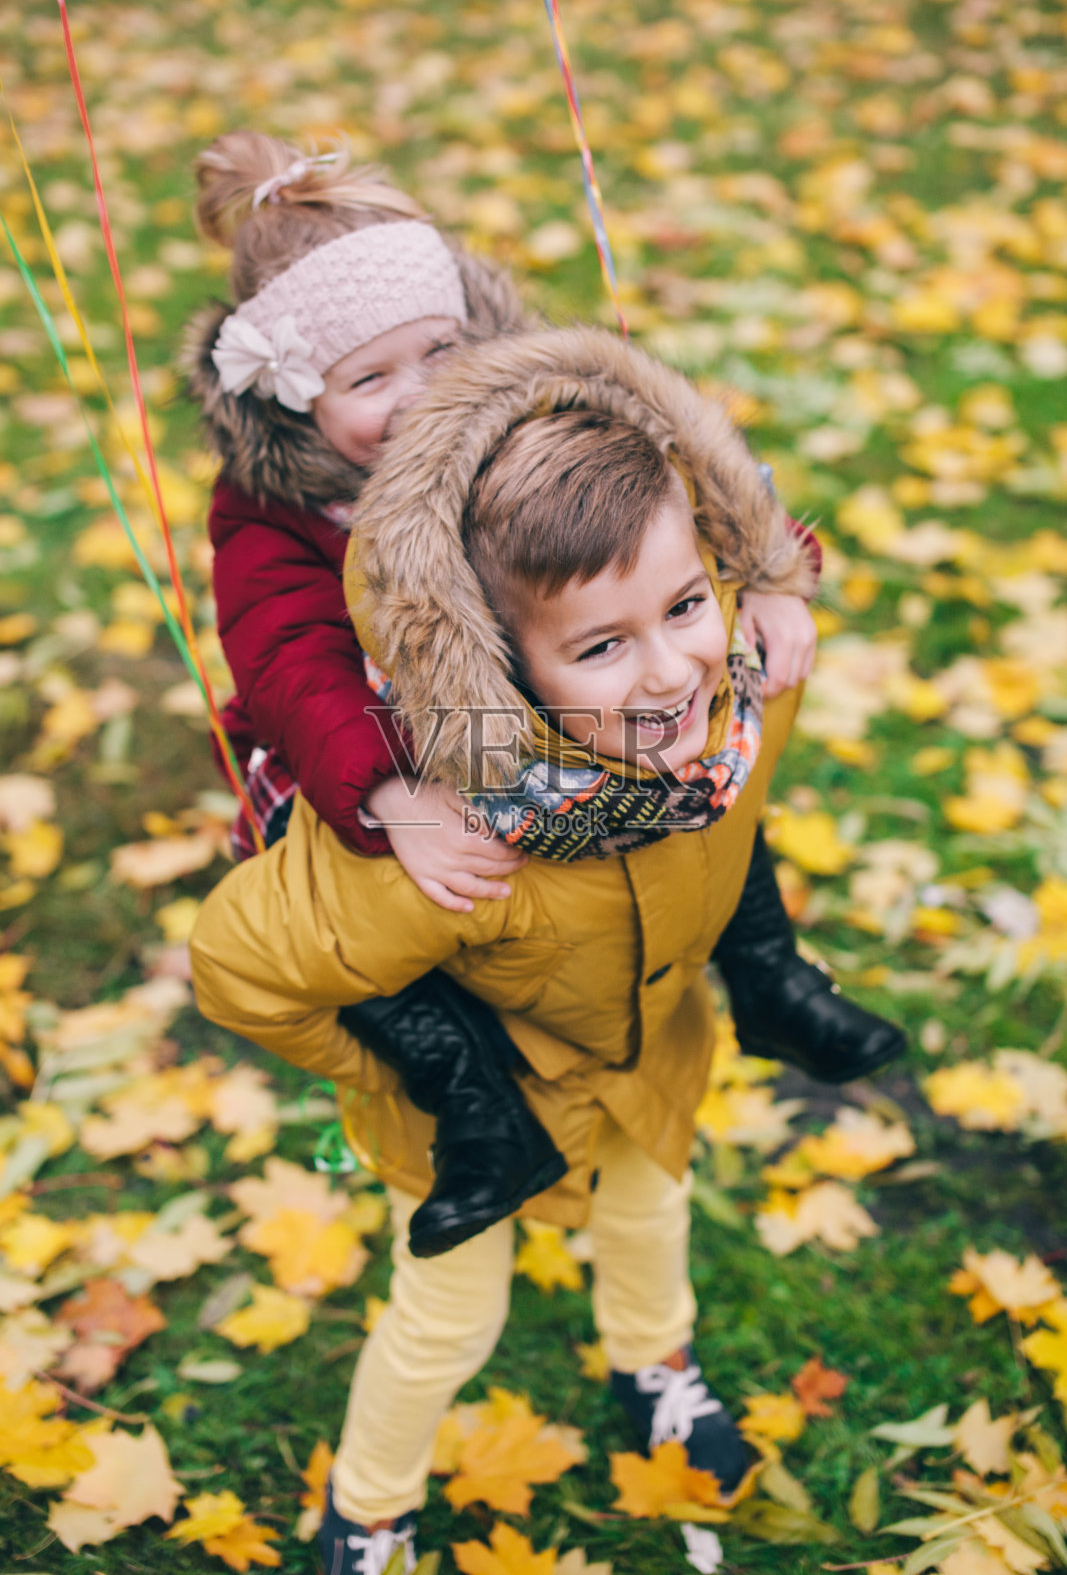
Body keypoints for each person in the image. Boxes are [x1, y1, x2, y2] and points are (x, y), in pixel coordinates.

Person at [189, 326, 900, 1572]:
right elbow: (242, 964)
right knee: (448, 1315)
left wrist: (777, 581)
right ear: (498, 665)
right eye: (599, 646)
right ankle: (367, 1510)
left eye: (681, 607)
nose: (669, 671)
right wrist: (404, 1065)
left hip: (644, 1056)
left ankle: (655, 1368)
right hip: (478, 1103)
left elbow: (740, 579)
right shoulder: (452, 855)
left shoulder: (733, 700)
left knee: (650, 1218)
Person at [186, 131, 904, 1259]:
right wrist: (382, 794)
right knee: (375, 908)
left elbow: (671, 493)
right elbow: (285, 659)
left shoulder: (519, 423)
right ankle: (471, 1094)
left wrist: (769, 572)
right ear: (292, 403)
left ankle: (764, 971)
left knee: (697, 768)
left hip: (562, 690)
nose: (422, 397)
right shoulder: (277, 516)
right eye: (371, 380)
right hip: (375, 741)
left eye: (439, 351)